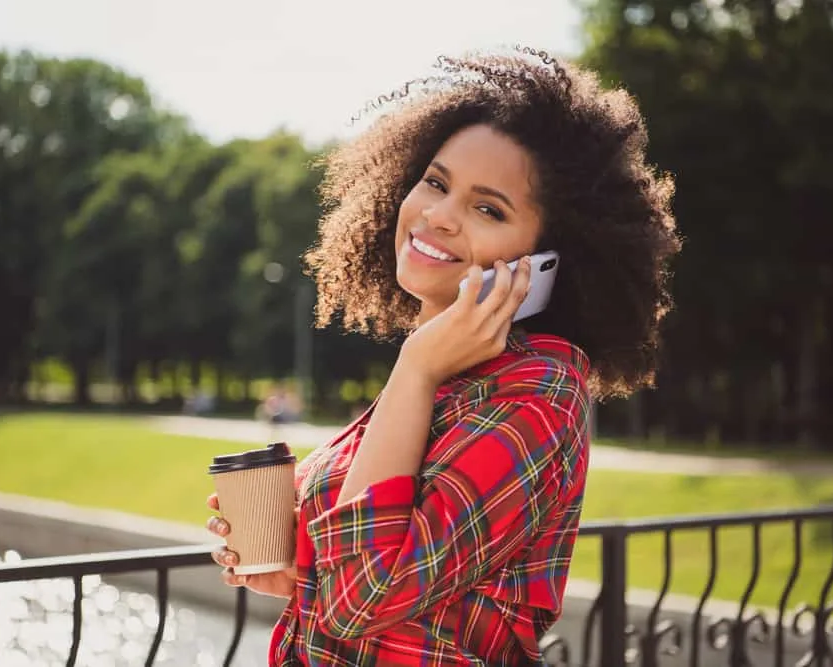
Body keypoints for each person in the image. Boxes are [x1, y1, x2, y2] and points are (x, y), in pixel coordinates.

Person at [205, 46, 681, 666]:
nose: (437, 216)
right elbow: (349, 574)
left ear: (550, 261)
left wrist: (416, 365)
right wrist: (290, 562)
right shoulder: (445, 370)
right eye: (435, 182)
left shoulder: (539, 391)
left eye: (488, 209)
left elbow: (362, 599)